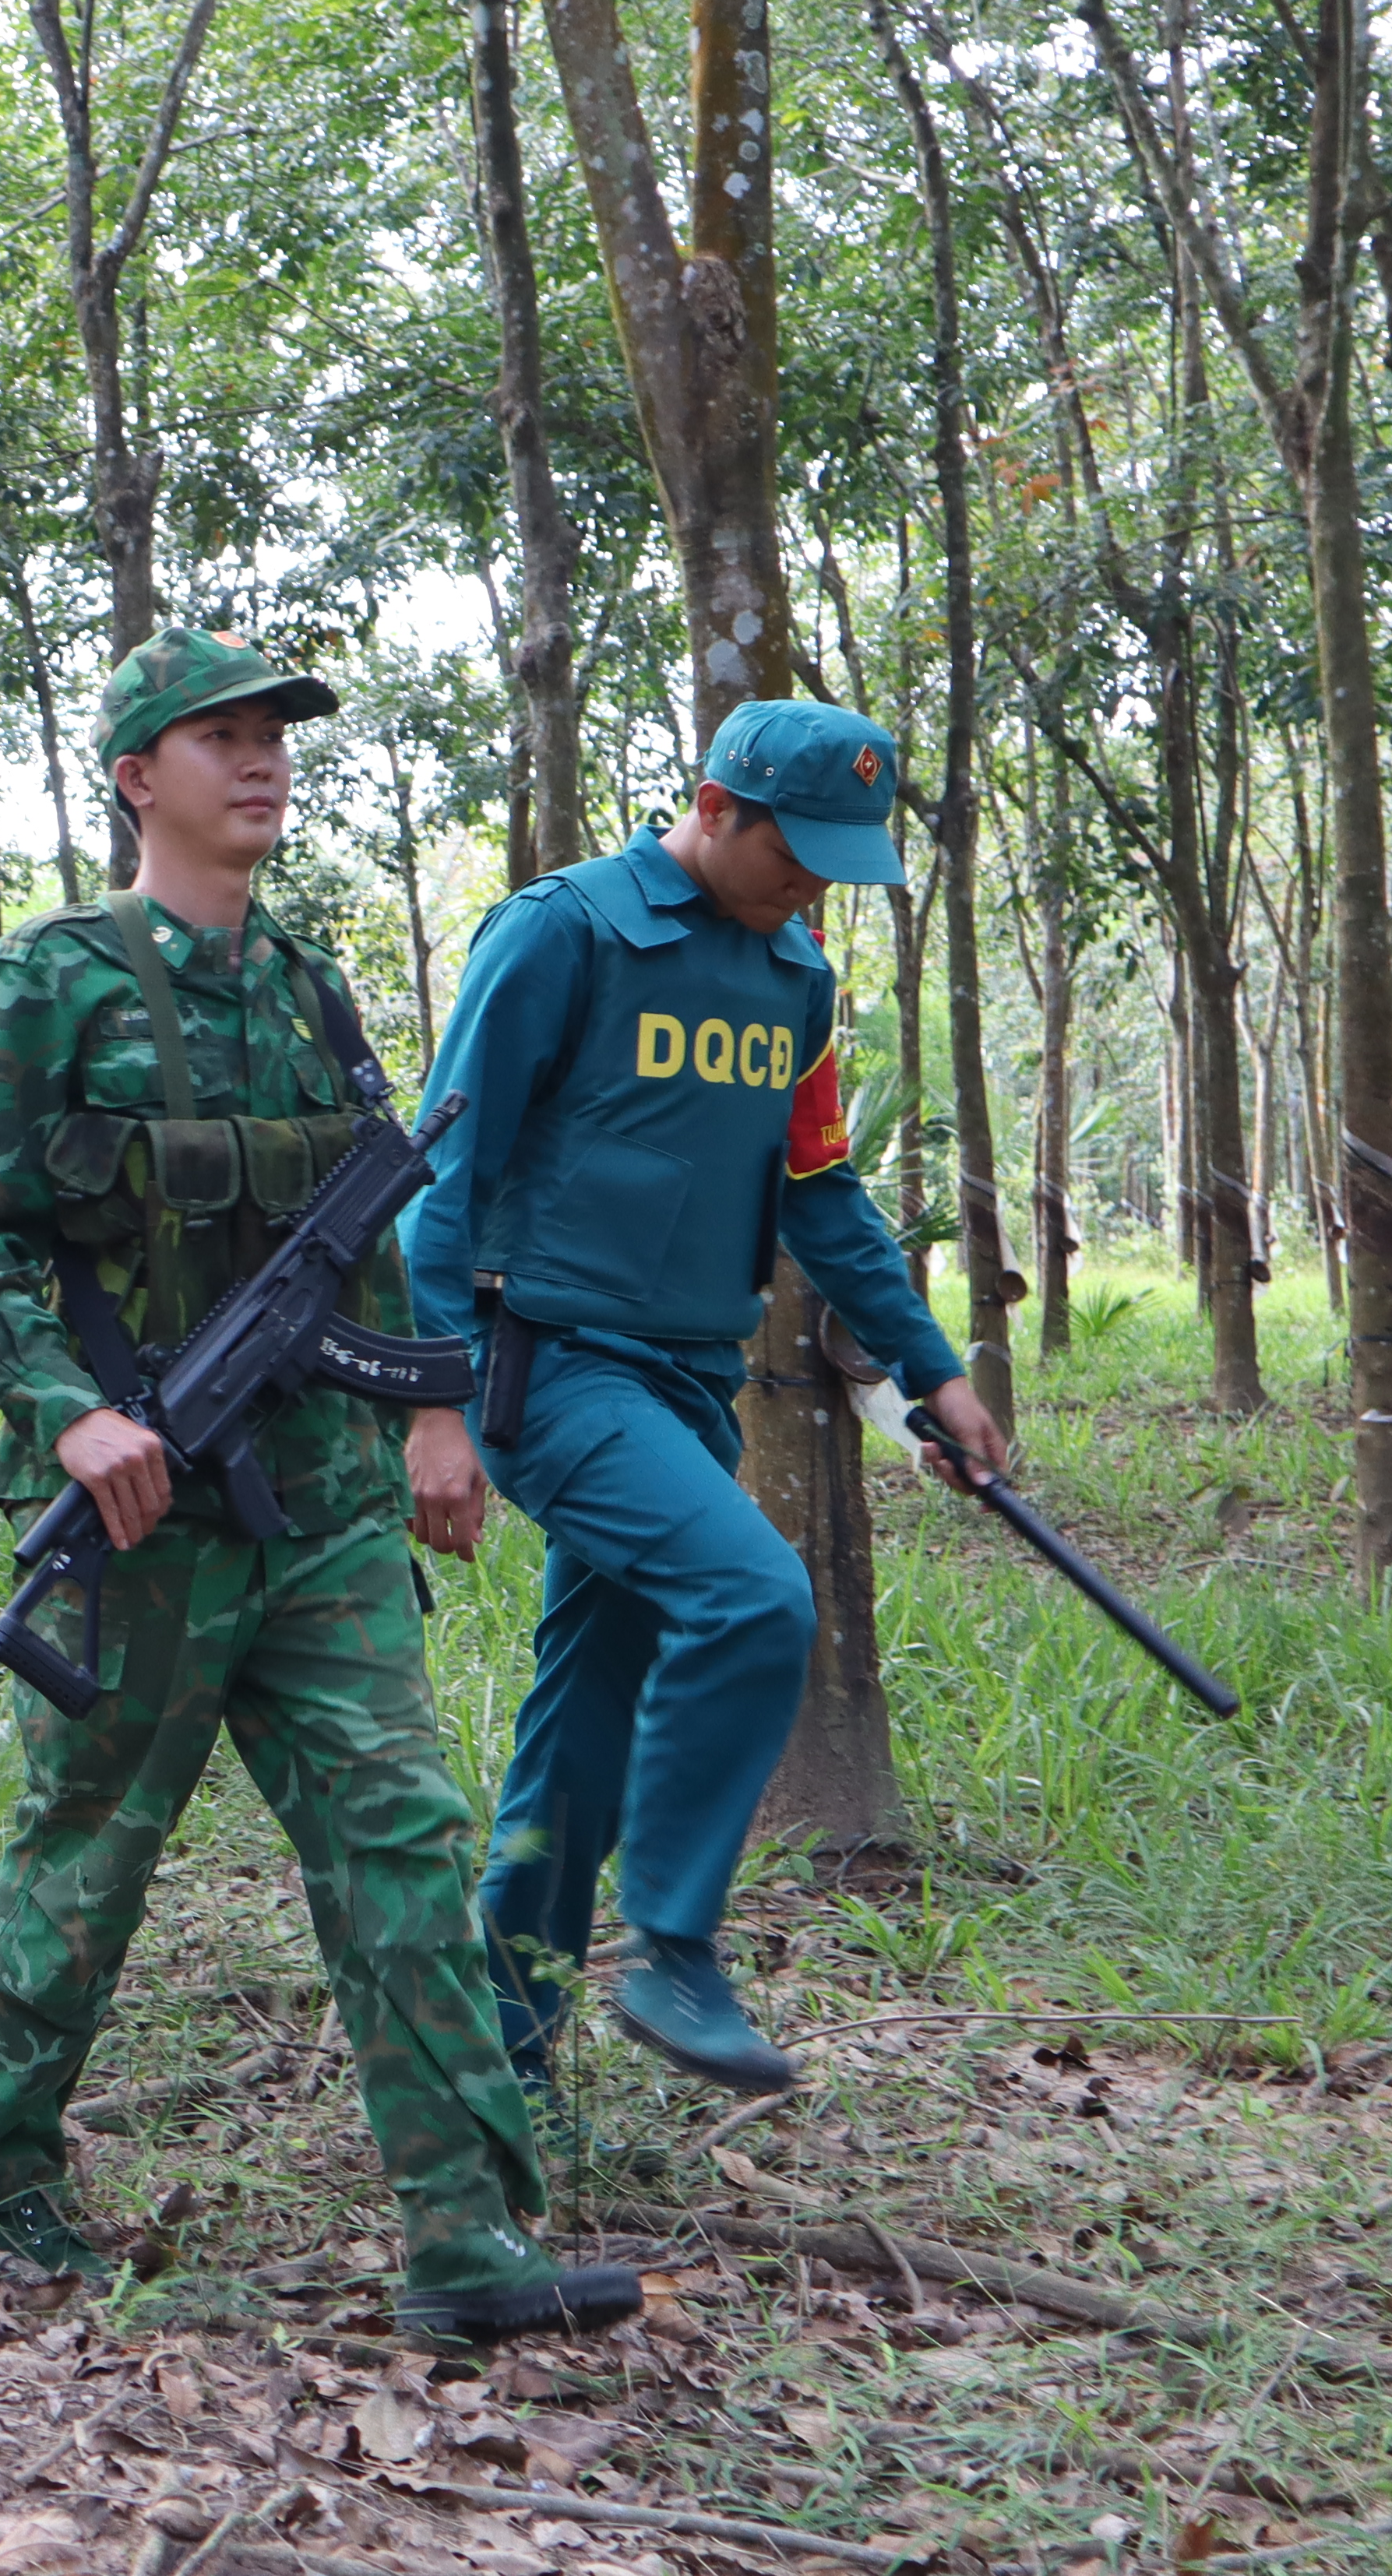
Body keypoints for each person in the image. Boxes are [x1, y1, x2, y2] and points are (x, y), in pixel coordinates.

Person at [0, 625, 629, 2343]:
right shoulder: (45, 982)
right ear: (134, 776)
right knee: (91, 1849)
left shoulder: (311, 985)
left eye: (275, 734)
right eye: (218, 736)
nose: (261, 759)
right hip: (141, 1510)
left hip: (320, 1502)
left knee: (402, 1835)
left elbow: (364, 1238)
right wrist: (69, 1414)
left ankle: (469, 2234)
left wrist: (433, 1416)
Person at [404, 698, 1010, 2098]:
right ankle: (674, 1945)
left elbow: (821, 1194)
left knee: (585, 1717)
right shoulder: (563, 931)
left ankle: (502, 2062)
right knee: (752, 1596)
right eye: (795, 854)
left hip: (689, 1381)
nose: (812, 889)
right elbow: (441, 1175)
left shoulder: (794, 978)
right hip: (552, 1363)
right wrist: (435, 1404)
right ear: (715, 806)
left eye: (838, 867)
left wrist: (931, 1367)